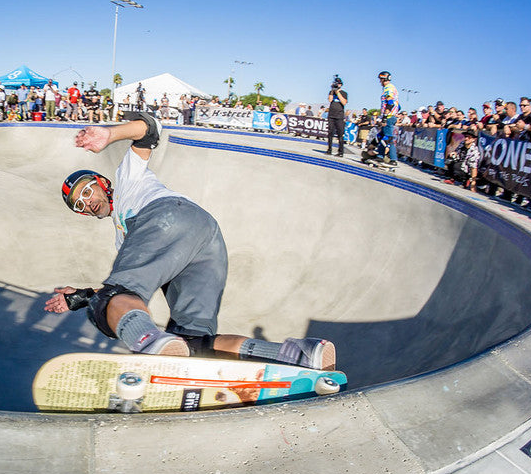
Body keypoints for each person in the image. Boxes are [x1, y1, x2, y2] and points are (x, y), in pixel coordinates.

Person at [44, 111, 336, 369]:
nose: (86, 203)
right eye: (78, 206)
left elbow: (149, 130)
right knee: (193, 342)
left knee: (109, 302)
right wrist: (80, 296)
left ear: (102, 183)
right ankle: (296, 355)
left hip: (165, 214)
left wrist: (110, 134)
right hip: (205, 238)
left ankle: (149, 343)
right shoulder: (127, 242)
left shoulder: (126, 179)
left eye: (86, 192)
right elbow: (131, 285)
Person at [378, 71, 400, 166]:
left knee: (388, 138)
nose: (379, 82)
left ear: (384, 79)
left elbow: (390, 102)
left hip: (389, 117)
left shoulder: (388, 88)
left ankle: (393, 159)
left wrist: (385, 117)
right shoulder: (391, 88)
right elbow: (398, 105)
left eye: (380, 80)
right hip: (391, 115)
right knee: (381, 136)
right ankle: (380, 155)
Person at [325, 76, 347, 156]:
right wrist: (332, 91)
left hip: (339, 116)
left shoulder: (344, 93)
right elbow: (330, 100)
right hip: (331, 115)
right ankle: (329, 149)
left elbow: (344, 102)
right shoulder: (332, 92)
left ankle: (340, 151)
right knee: (330, 133)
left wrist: (337, 92)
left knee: (340, 134)